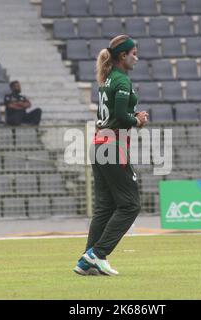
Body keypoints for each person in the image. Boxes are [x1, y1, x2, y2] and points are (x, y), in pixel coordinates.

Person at [73, 35, 149, 276]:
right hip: (114, 145)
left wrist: (132, 116)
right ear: (122, 56)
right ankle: (98, 254)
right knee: (130, 205)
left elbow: (112, 114)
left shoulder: (107, 80)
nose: (136, 57)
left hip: (99, 143)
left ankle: (85, 261)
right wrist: (136, 120)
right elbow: (120, 116)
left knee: (105, 206)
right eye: (133, 53)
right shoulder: (122, 81)